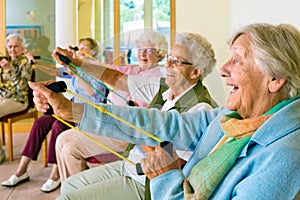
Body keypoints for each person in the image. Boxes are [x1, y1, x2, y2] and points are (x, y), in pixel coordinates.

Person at [31, 23, 300, 199]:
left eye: (237, 60)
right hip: (139, 168)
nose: (223, 70)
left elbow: (170, 157)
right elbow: (153, 118)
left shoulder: (284, 156)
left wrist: (162, 170)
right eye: (168, 57)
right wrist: (70, 105)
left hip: (150, 181)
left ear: (274, 78)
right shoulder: (229, 117)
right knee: (68, 179)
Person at [54, 30, 168, 182]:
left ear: (159, 54)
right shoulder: (132, 69)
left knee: (70, 150)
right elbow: (106, 70)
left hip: (127, 130)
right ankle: (71, 191)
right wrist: (76, 60)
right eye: (140, 50)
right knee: (61, 140)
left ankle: (77, 193)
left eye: (148, 50)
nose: (142, 54)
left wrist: (78, 63)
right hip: (107, 122)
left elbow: (145, 110)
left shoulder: (158, 76)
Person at [1, 37, 107, 193]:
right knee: (41, 122)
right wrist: (35, 62)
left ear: (93, 52)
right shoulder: (78, 66)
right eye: (80, 47)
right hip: (72, 106)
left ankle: (55, 174)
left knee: (58, 125)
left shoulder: (97, 69)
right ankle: (21, 170)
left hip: (87, 112)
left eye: (85, 48)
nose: (80, 50)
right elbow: (56, 71)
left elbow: (93, 94)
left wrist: (76, 73)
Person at [0, 34, 34, 164]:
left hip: (19, 100)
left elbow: (22, 87)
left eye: (16, 46)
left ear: (21, 48)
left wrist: (9, 70)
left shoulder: (25, 62)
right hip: (4, 98)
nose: (13, 49)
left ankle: (0, 153)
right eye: (10, 46)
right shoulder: (5, 60)